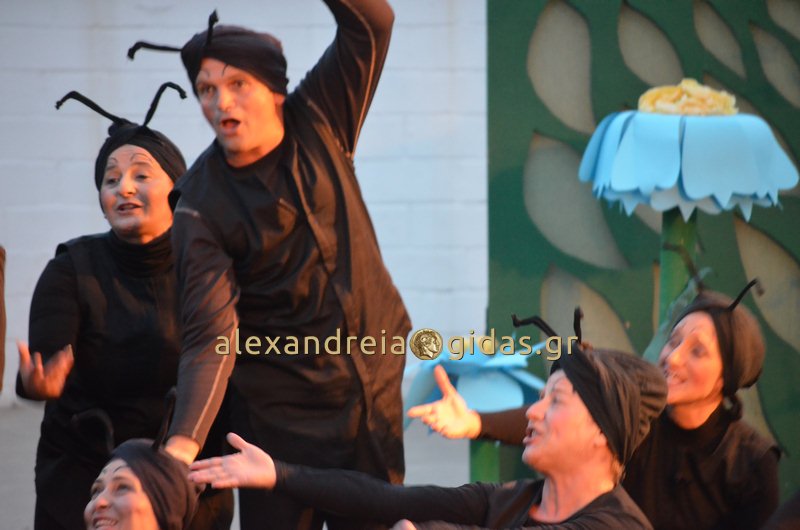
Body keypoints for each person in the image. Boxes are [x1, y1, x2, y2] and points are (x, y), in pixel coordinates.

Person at [127, 2, 410, 528]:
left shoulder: (321, 116)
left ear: (275, 90)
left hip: (370, 396)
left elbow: (373, 23)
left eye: (237, 84)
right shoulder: (198, 206)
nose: (220, 102)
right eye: (206, 89)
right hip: (277, 421)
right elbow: (211, 336)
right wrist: (180, 449)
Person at [16, 86, 231, 530]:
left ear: (176, 189)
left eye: (141, 175)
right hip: (87, 477)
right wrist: (38, 384)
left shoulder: (208, 270)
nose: (124, 188)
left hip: (185, 473)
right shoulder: (72, 269)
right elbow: (46, 363)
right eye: (111, 180)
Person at [189, 338, 667, 529]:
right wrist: (278, 473)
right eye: (540, 397)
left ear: (602, 432)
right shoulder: (511, 500)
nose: (534, 412)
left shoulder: (616, 526)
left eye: (555, 401)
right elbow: (387, 500)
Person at [409, 287, 781, 529]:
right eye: (673, 341)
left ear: (727, 377)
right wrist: (474, 421)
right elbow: (559, 418)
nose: (673, 357)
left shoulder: (751, 464)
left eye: (697, 351)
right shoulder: (636, 422)